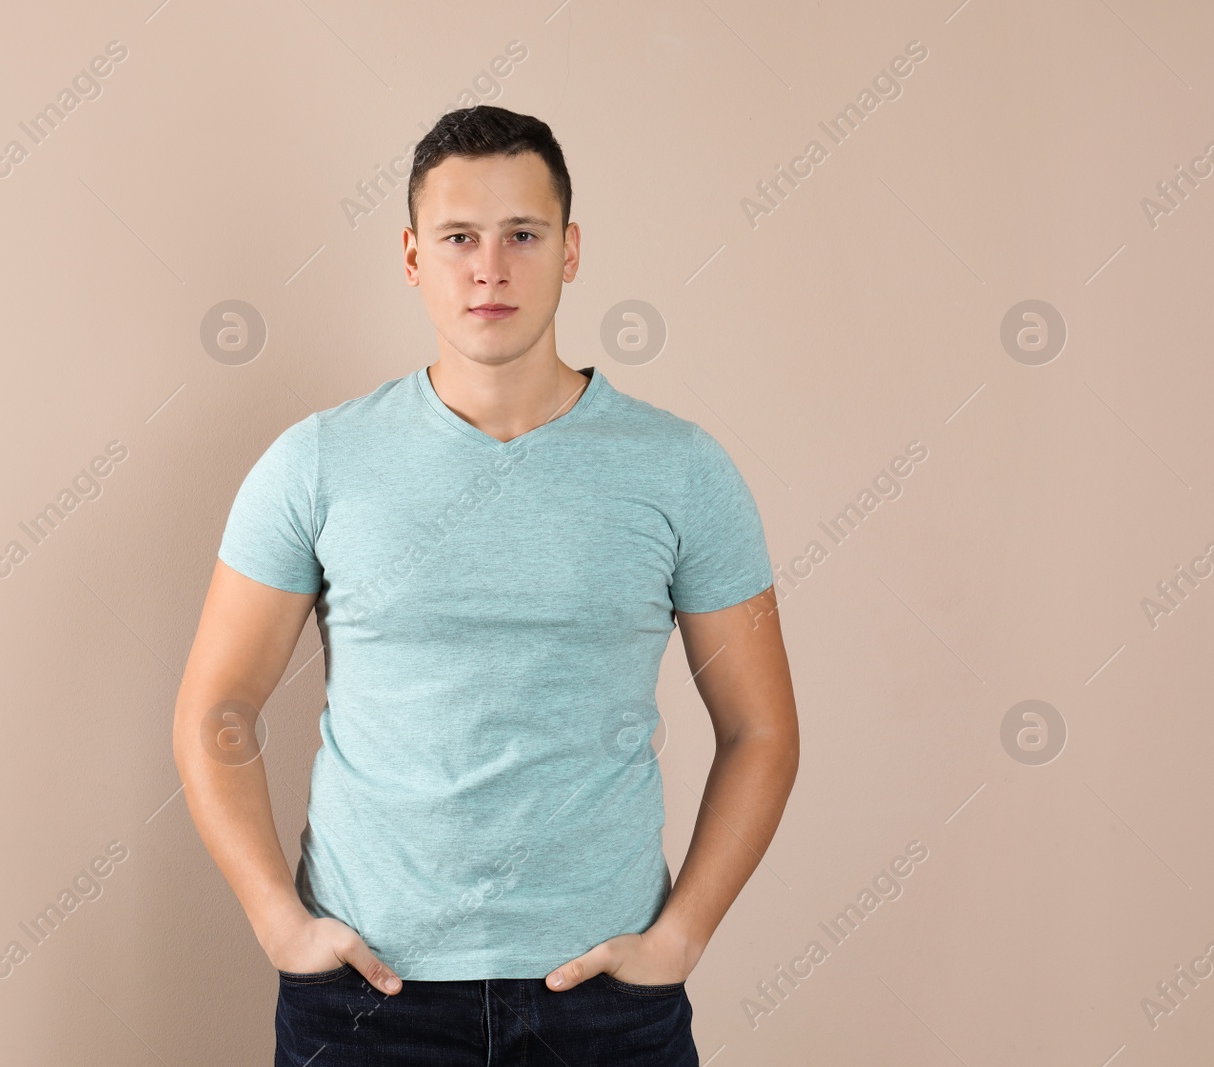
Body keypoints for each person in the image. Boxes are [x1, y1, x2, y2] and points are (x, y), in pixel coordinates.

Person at [173, 104, 799, 1066]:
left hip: (602, 1003)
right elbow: (216, 708)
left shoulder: (681, 470)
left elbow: (761, 731)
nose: (490, 268)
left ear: (571, 250)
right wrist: (279, 925)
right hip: (367, 999)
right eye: (460, 237)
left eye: (523, 235)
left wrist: (680, 937)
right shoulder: (318, 463)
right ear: (415, 257)